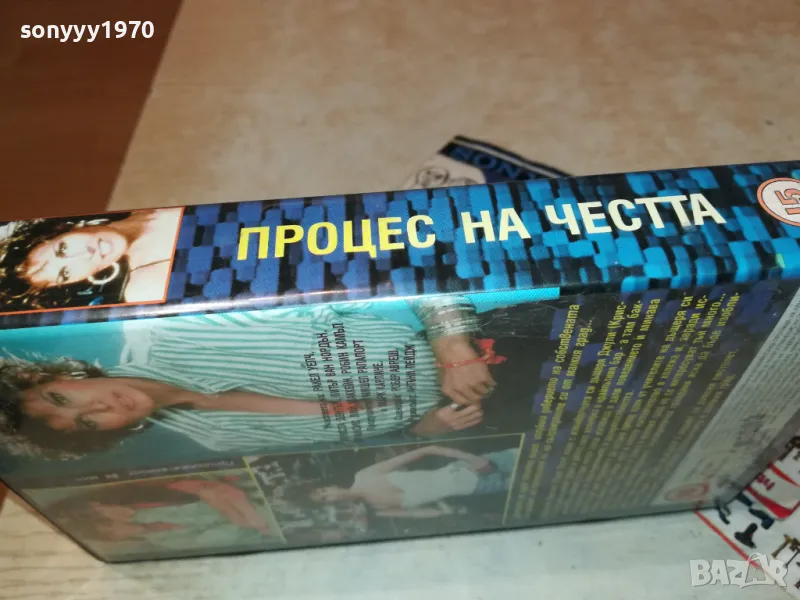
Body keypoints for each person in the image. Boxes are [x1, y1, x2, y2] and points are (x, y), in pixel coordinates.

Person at [0, 295, 564, 459]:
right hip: (504, 414)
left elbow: (403, 261)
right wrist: (424, 430)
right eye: (83, 425)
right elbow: (359, 438)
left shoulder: (177, 326)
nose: (98, 409)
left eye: (62, 398)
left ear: (64, 373)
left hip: (509, 340)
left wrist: (451, 342)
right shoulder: (216, 439)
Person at [0, 207, 182, 310]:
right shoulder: (145, 287)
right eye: (66, 273)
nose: (85, 254)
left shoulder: (141, 198)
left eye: (63, 248)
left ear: (66, 229)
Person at [283, 444, 519, 519]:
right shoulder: (379, 509)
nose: (331, 494)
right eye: (325, 499)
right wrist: (445, 511)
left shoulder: (365, 476)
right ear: (330, 505)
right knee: (530, 483)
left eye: (324, 490)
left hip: (472, 467)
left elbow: (427, 449)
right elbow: (419, 513)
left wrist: (471, 458)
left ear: (329, 485)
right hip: (477, 489)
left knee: (532, 456)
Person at [45, 476, 274, 552]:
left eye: (99, 509)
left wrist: (238, 515)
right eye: (110, 529)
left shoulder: (157, 498)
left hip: (261, 506)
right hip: (264, 530)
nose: (117, 523)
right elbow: (227, 536)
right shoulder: (165, 542)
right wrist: (239, 519)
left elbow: (218, 492)